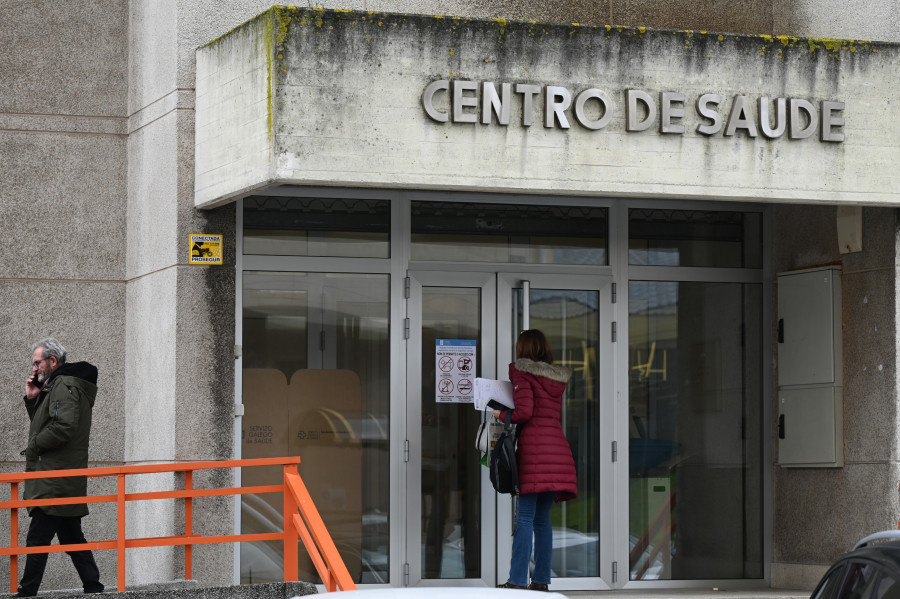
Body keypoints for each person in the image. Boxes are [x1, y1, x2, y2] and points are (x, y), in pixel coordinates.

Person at [18, 338, 104, 597]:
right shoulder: (58, 386)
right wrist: (33, 399)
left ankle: (27, 592)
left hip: (54, 479)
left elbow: (63, 427)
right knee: (70, 536)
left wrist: (33, 447)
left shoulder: (63, 385)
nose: (34, 368)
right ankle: (94, 585)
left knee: (37, 539)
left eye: (37, 362)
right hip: (62, 477)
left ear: (52, 361)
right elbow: (49, 422)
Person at [493, 329, 577, 592]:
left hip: (535, 452)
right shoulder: (555, 380)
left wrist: (499, 413)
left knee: (525, 518)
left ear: (522, 349)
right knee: (542, 520)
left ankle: (517, 580)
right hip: (557, 451)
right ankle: (540, 580)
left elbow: (525, 412)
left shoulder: (521, 373)